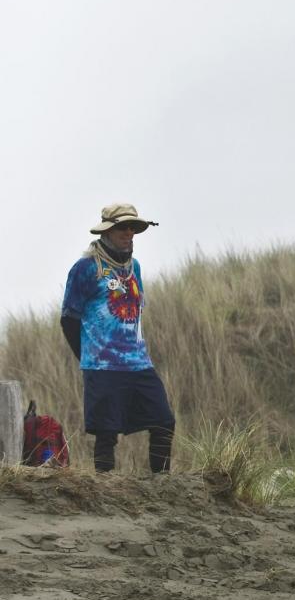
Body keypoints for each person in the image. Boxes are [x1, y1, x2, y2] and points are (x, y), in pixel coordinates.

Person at [61, 203, 176, 474]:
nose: (129, 233)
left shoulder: (135, 267)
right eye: (122, 227)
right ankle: (105, 488)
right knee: (106, 433)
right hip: (102, 365)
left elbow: (137, 311)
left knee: (163, 421)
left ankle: (163, 484)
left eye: (133, 227)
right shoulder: (85, 268)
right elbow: (68, 318)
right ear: (107, 231)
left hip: (138, 363)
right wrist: (88, 357)